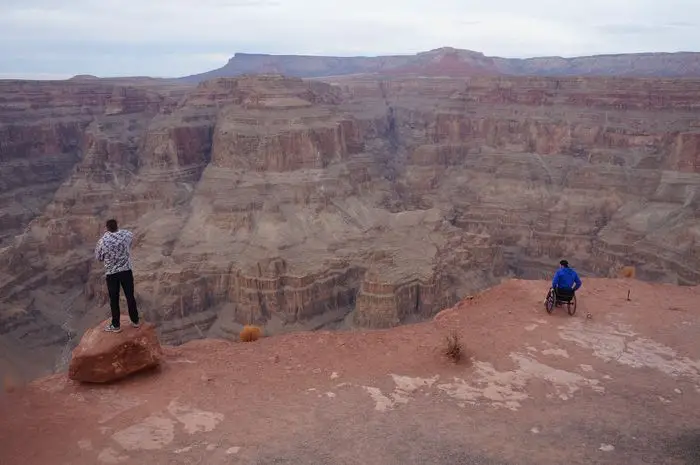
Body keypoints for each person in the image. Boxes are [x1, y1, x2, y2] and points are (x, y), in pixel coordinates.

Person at [94, 219, 140, 333]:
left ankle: (116, 325)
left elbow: (99, 258)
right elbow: (134, 238)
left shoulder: (102, 241)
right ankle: (135, 321)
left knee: (114, 299)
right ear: (117, 226)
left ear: (107, 228)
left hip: (112, 274)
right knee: (130, 296)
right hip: (126, 271)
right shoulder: (125, 235)